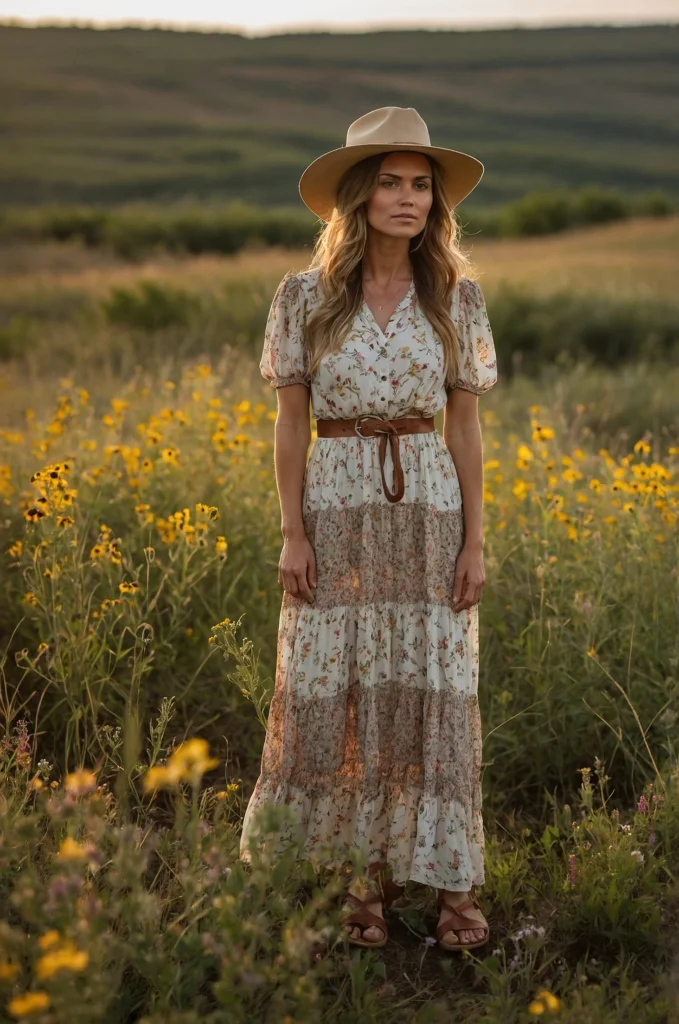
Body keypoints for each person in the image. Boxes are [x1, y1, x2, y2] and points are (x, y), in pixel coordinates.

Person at [240, 106, 497, 952]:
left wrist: (473, 539)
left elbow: (463, 426)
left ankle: (454, 888)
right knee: (344, 685)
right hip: (336, 503)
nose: (407, 198)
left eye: (420, 185)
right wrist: (292, 532)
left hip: (426, 506)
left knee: (431, 685)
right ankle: (363, 883)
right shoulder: (304, 297)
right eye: (389, 182)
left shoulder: (455, 297)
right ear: (356, 195)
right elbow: (289, 424)